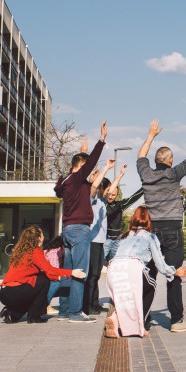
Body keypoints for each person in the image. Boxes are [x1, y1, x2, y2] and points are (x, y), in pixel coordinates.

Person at [137, 115, 186, 333]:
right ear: (169, 161)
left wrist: (150, 136)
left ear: (155, 160)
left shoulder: (146, 174)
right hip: (173, 229)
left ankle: (143, 318)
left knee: (149, 274)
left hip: (152, 230)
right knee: (174, 273)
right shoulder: (174, 174)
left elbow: (140, 156)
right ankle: (176, 320)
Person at [105, 206, 186, 338]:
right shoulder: (150, 237)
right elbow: (160, 264)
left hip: (113, 269)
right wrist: (173, 272)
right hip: (132, 266)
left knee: (125, 296)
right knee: (150, 286)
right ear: (149, 220)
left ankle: (116, 318)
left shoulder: (125, 236)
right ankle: (140, 323)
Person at [54, 120, 108, 323]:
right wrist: (101, 140)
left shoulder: (66, 181)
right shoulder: (77, 179)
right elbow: (90, 162)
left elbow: (79, 166)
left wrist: (80, 154)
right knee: (80, 272)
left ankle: (64, 310)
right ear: (81, 167)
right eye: (86, 168)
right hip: (79, 230)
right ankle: (76, 313)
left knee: (68, 271)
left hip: (67, 229)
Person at [0, 225, 84, 324]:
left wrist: (57, 277)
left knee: (38, 283)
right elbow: (49, 269)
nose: (44, 237)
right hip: (15, 292)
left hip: (4, 293)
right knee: (43, 281)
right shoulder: (35, 251)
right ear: (38, 238)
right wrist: (72, 272)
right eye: (42, 234)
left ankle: (12, 314)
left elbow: (44, 271)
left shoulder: (20, 252)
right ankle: (34, 316)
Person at [84, 160, 119, 315]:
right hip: (92, 241)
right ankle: (88, 305)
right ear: (101, 188)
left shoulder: (102, 201)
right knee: (91, 274)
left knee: (96, 274)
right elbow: (93, 186)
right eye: (107, 189)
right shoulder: (92, 200)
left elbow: (112, 188)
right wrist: (103, 171)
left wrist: (120, 176)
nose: (109, 193)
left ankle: (95, 302)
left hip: (99, 242)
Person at [104, 164, 143, 263]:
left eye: (113, 195)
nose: (111, 197)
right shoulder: (103, 204)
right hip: (105, 240)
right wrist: (120, 175)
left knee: (115, 264)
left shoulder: (119, 205)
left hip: (116, 240)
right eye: (109, 194)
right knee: (98, 264)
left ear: (117, 195)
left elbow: (133, 198)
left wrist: (144, 187)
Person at [43, 235, 65, 314]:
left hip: (45, 277)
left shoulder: (57, 253)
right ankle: (45, 304)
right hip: (43, 278)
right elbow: (54, 271)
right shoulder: (54, 252)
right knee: (57, 282)